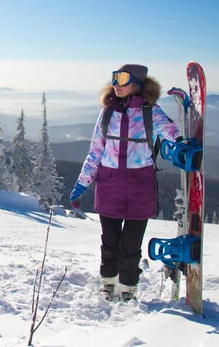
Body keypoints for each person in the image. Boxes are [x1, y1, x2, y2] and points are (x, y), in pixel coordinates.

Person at [69, 64, 179, 302]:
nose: (116, 84)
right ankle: (108, 283)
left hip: (140, 187)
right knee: (109, 242)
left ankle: (128, 288)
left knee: (131, 244)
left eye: (123, 79)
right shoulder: (107, 112)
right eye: (115, 79)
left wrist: (181, 141)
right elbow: (96, 151)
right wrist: (83, 182)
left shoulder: (151, 112)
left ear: (137, 83)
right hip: (110, 186)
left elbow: (171, 131)